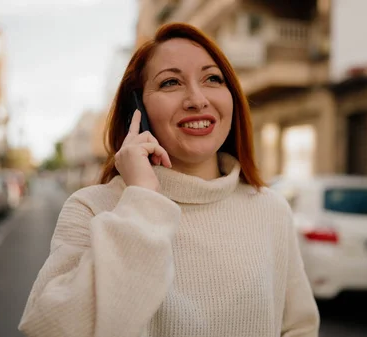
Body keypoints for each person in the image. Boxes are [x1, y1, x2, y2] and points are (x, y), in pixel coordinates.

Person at [19, 22, 319, 337]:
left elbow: (299, 327)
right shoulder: (93, 208)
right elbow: (51, 327)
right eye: (171, 82)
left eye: (212, 79)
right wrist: (142, 203)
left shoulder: (270, 209)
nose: (197, 99)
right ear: (138, 109)